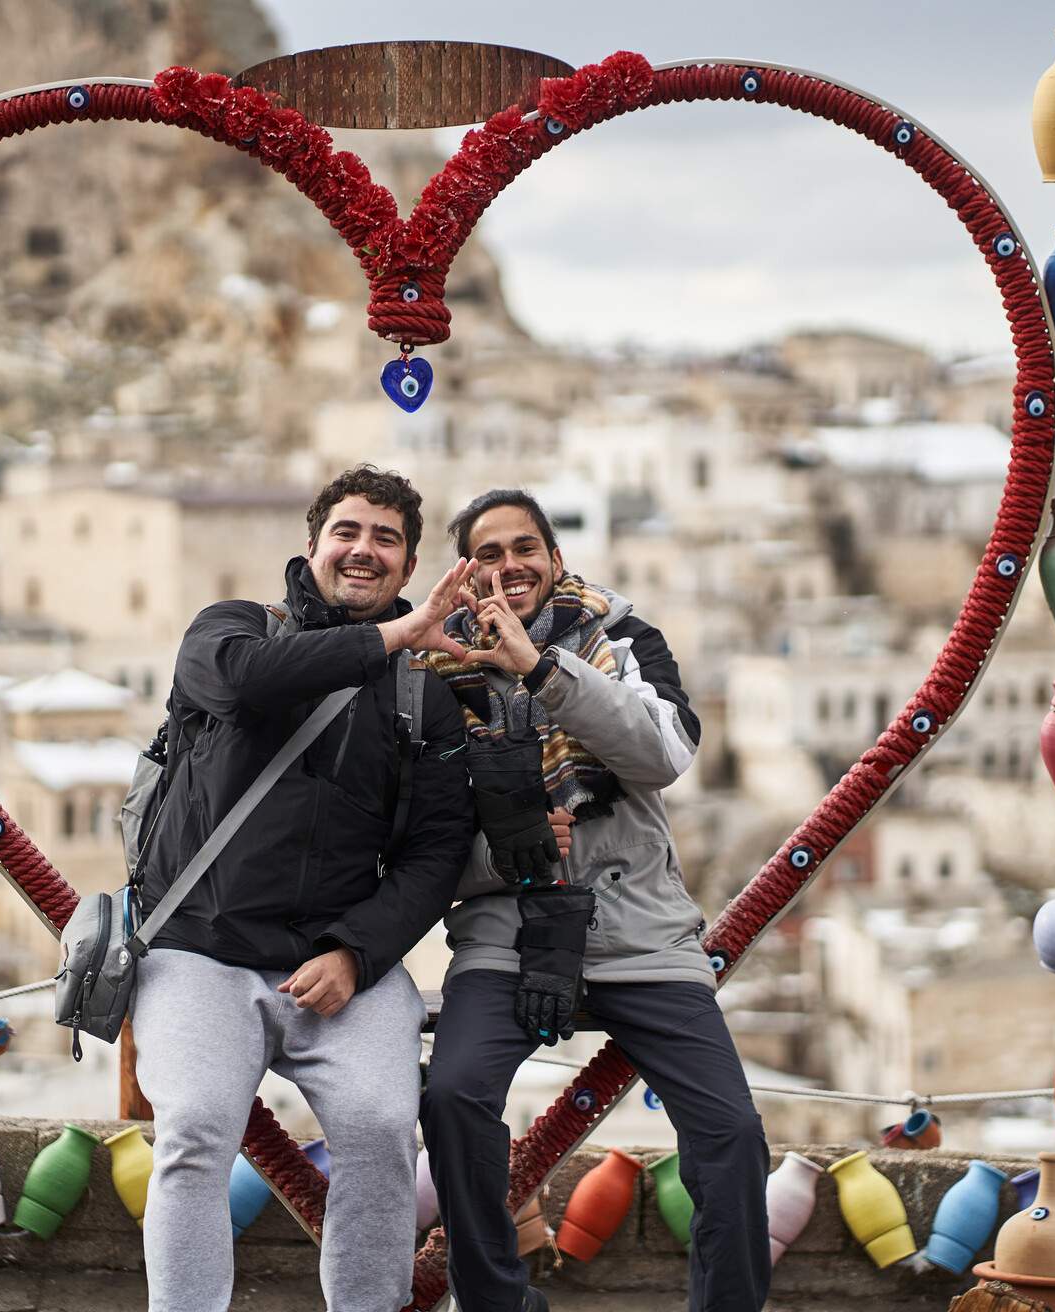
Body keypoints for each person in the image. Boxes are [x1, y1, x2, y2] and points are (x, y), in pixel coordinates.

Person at [129, 465, 477, 1312]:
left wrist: (356, 955)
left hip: (337, 963)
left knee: (382, 1132)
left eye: (385, 539)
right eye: (348, 533)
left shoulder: (421, 699)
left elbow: (435, 853)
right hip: (200, 952)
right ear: (313, 546)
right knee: (195, 1133)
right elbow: (252, 682)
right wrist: (399, 637)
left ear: (407, 563)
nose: (364, 552)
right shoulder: (233, 629)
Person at [420, 489, 772, 1312]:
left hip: (637, 930)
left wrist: (542, 671)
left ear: (554, 559)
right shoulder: (435, 672)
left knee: (731, 1134)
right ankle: (497, 1301)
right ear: (466, 574)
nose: (511, 567)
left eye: (525, 548)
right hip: (506, 930)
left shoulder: (619, 639)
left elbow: (663, 752)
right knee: (453, 1096)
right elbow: (424, 847)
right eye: (490, 554)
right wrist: (513, 848)